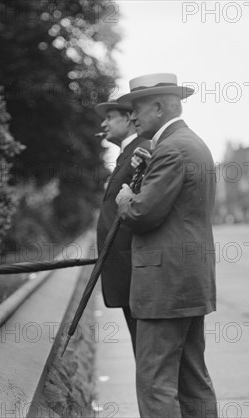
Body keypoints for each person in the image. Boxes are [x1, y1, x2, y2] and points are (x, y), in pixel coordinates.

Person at [115, 73, 218, 417]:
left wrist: (126, 198)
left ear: (158, 107)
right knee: (193, 381)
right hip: (188, 282)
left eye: (137, 108)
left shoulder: (171, 149)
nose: (132, 117)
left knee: (154, 383)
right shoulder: (192, 144)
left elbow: (143, 214)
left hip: (164, 287)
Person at [95, 98, 150, 355]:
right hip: (125, 268)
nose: (103, 123)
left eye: (110, 117)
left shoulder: (141, 150)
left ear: (129, 119)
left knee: (146, 352)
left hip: (134, 270)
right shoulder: (126, 154)